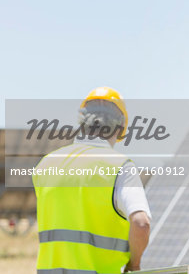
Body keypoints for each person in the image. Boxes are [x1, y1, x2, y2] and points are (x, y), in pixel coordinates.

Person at [33, 87, 151, 273]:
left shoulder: (45, 164)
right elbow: (141, 223)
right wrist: (134, 264)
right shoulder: (121, 167)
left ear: (82, 123)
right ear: (121, 128)